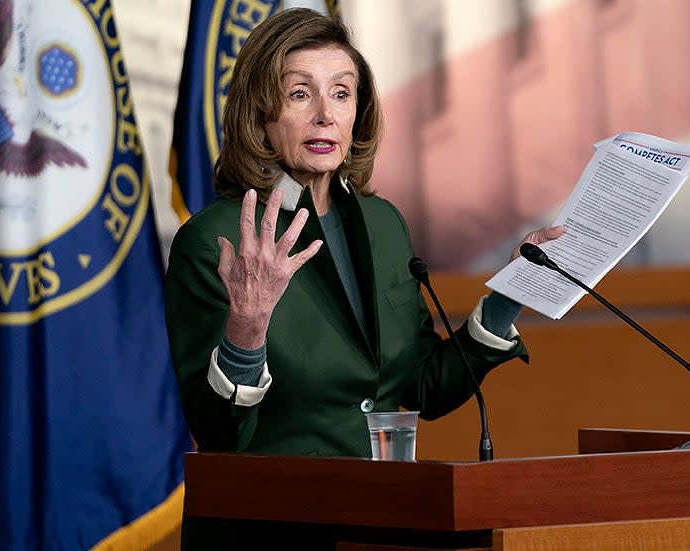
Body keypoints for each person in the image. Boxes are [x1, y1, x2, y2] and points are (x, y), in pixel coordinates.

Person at [163, 7, 563, 548]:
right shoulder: (216, 241)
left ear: (359, 115)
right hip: (270, 530)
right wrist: (247, 327)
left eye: (342, 93)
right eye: (300, 94)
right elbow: (218, 434)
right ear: (260, 117)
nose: (325, 115)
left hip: (380, 521)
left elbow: (421, 385)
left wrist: (507, 299)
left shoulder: (383, 225)